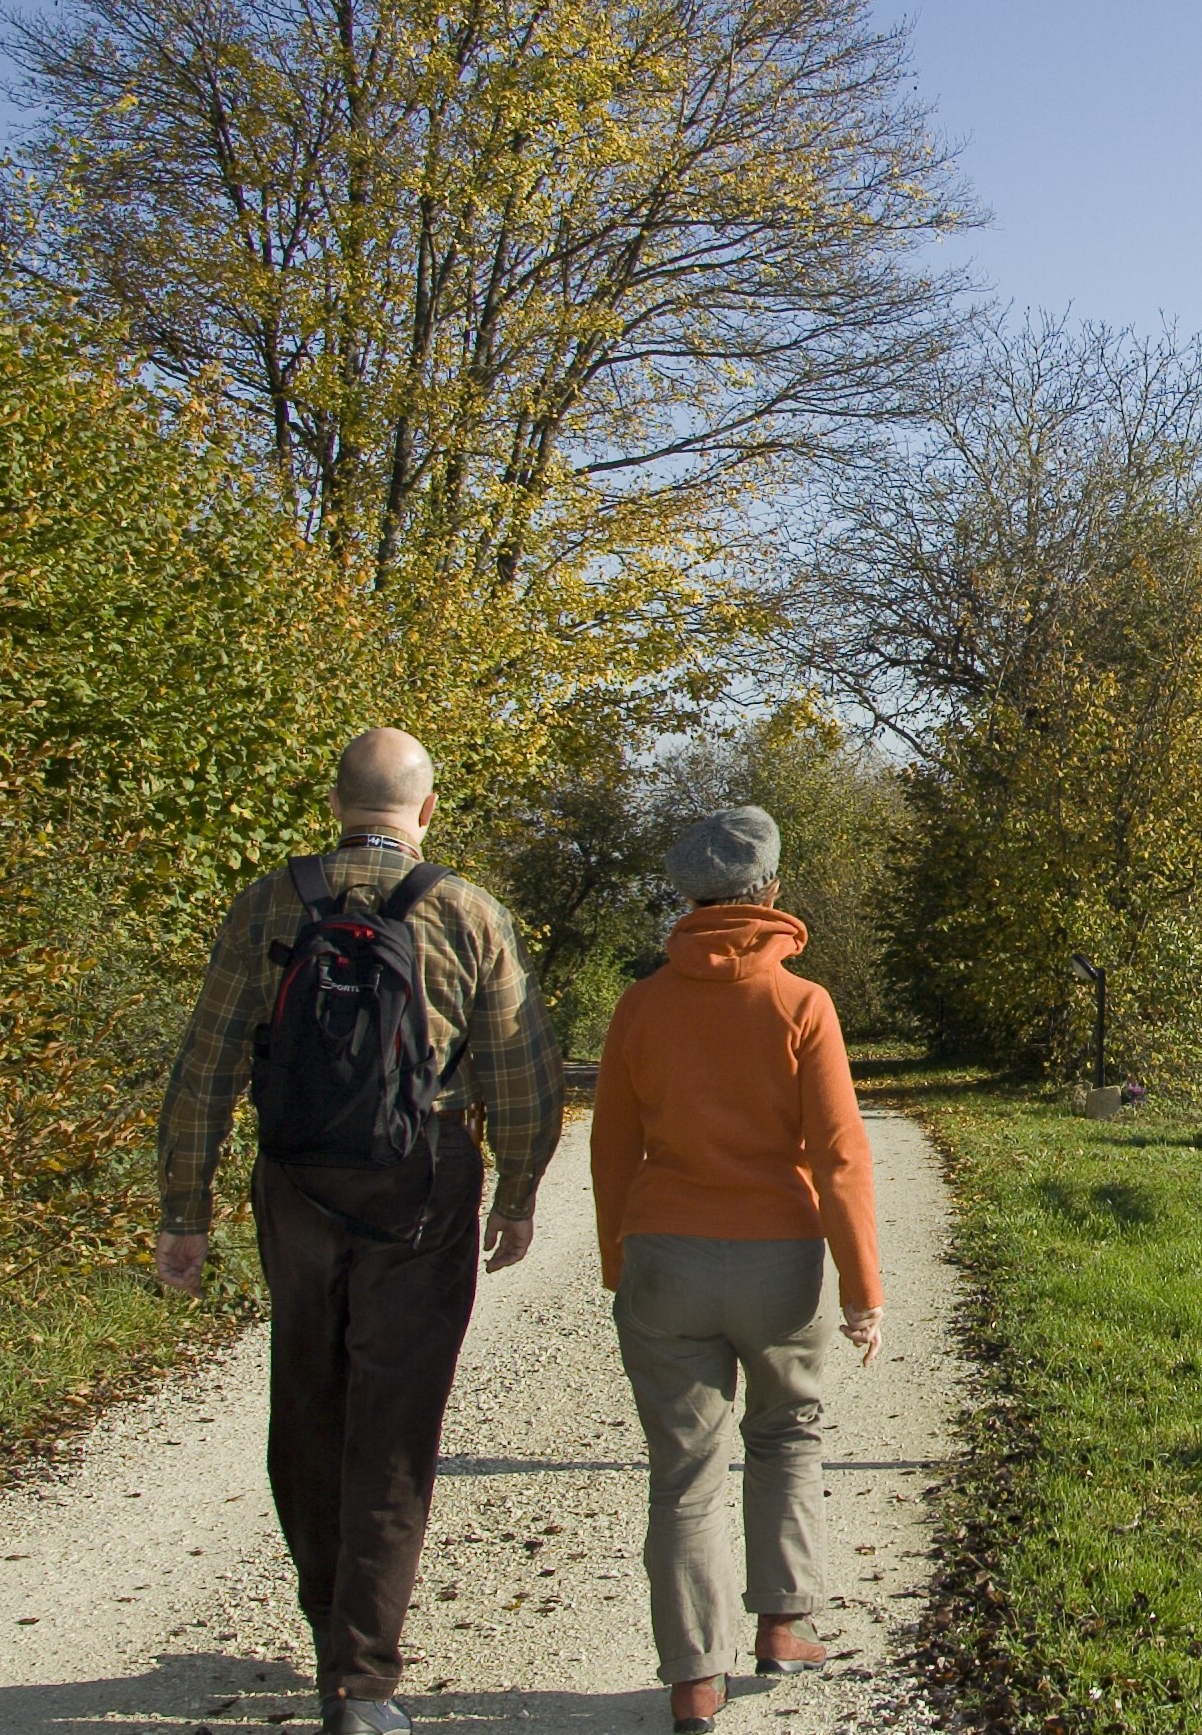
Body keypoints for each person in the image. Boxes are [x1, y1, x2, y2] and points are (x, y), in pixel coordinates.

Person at [156, 728, 562, 1735]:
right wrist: (517, 1191)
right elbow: (520, 1071)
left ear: (336, 802)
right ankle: (361, 1677)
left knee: (305, 1394)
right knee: (395, 1417)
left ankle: (325, 1615)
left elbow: (205, 1066)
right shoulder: (467, 911)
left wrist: (184, 1210)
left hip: (294, 1180)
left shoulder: (267, 903)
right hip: (422, 1177)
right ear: (424, 811)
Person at [592, 806, 883, 1735]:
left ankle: (692, 1681)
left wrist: (617, 1256)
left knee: (682, 1473)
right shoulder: (802, 1005)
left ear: (688, 897)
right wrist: (863, 1292)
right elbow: (839, 1157)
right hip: (778, 1261)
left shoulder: (640, 1006)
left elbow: (610, 1150)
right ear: (772, 894)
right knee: (787, 1432)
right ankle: (784, 1623)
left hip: (667, 1256)